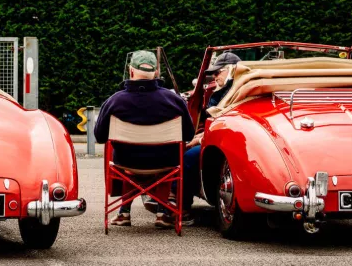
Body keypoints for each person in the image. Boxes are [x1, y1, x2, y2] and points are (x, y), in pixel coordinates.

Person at [94, 50, 195, 228]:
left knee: (126, 155)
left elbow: (100, 136)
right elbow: (188, 135)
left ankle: (124, 213)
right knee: (167, 158)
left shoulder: (114, 101)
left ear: (131, 71)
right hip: (165, 165)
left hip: (126, 164)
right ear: (156, 73)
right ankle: (163, 214)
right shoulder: (174, 100)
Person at [168, 51, 241, 225]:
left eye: (218, 72)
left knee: (190, 157)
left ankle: (182, 206)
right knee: (186, 150)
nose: (214, 76)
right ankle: (173, 194)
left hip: (228, 139)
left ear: (232, 70)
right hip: (219, 136)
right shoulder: (223, 90)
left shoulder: (235, 90)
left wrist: (201, 139)